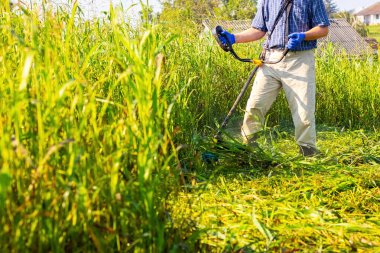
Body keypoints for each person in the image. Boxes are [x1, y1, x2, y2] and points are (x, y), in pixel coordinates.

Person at [219, 0, 330, 156]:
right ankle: (250, 147)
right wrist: (234, 38)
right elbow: (258, 29)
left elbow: (323, 28)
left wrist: (304, 36)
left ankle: (308, 151)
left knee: (304, 111)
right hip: (271, 59)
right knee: (255, 105)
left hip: (300, 60)